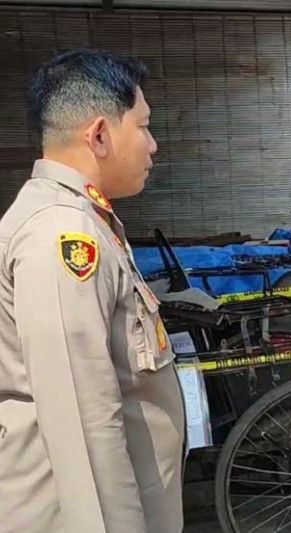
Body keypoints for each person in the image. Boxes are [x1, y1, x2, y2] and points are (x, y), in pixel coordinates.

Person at [0, 49, 184, 532]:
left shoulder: (85, 219)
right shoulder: (61, 237)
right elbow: (84, 427)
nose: (154, 145)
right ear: (100, 135)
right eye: (143, 126)